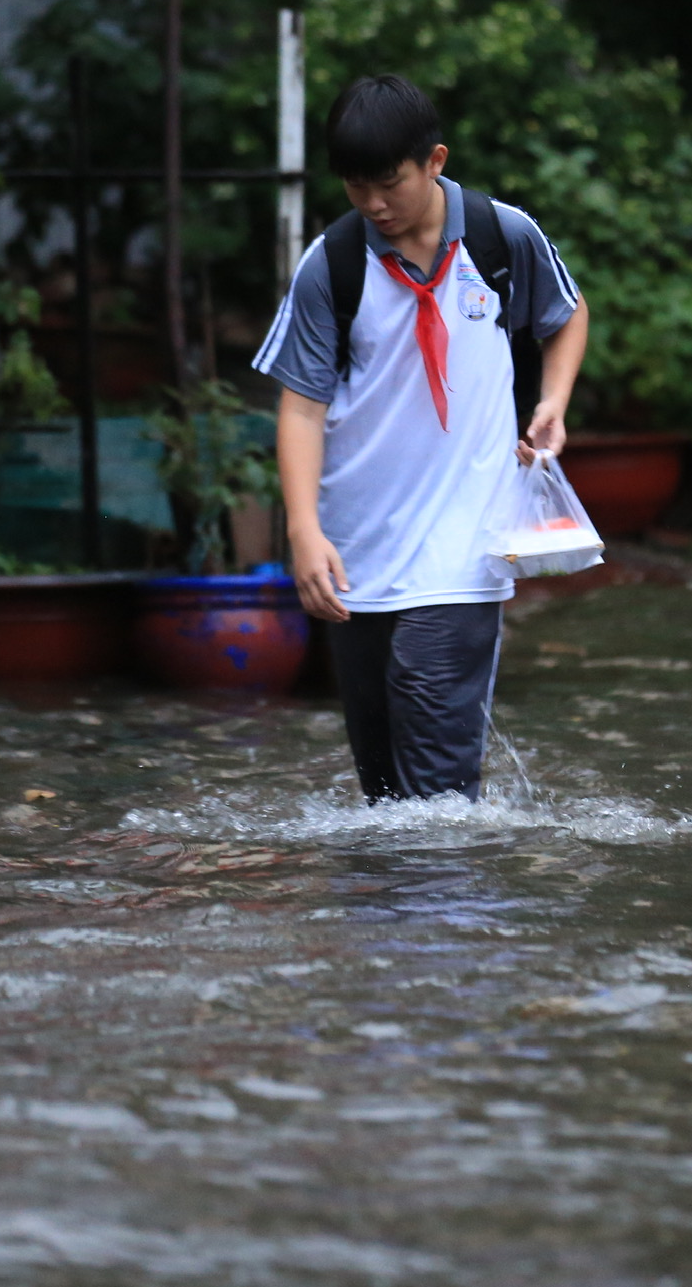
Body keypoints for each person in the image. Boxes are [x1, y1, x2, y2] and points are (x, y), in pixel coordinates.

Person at [252, 74, 589, 802]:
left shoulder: (502, 236)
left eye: (388, 183)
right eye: (354, 185)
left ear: (434, 161)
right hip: (360, 548)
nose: (372, 203)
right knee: (383, 794)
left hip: (466, 541)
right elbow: (302, 408)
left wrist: (552, 402)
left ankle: (442, 911)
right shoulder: (334, 265)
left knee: (433, 780)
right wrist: (304, 530)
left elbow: (565, 314)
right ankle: (406, 914)